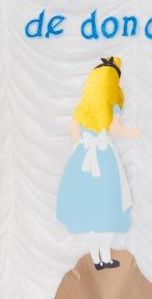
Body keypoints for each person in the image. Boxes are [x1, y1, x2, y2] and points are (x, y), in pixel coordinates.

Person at [56, 57, 139, 271]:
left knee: (96, 209)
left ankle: (99, 258)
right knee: (107, 207)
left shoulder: (86, 105)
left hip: (86, 158)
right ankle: (102, 257)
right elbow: (115, 129)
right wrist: (133, 133)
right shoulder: (112, 103)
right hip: (102, 158)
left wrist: (82, 145)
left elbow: (73, 127)